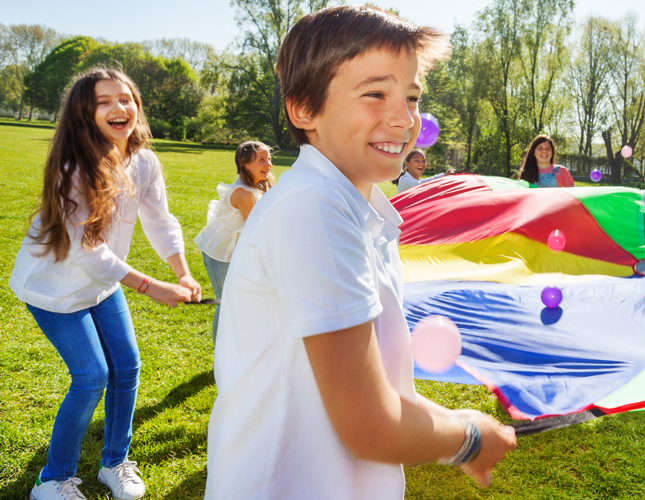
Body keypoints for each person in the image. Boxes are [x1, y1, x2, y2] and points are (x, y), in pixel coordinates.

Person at [204, 6, 517, 500]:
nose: (404, 117)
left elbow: (378, 389)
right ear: (304, 109)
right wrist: (468, 437)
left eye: (412, 96)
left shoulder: (354, 205)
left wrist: (455, 419)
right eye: (376, 93)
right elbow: (370, 422)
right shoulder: (314, 209)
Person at [9, 68, 201, 500]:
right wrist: (152, 286)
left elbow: (160, 220)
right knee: (91, 376)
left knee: (127, 367)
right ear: (84, 112)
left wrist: (182, 271)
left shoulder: (145, 161)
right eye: (105, 101)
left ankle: (115, 462)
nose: (120, 108)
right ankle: (53, 479)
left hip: (101, 285)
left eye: (127, 98)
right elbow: (87, 250)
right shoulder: (71, 167)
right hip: (54, 291)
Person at [193, 141, 276, 344]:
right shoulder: (243, 194)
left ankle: (238, 348)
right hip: (220, 252)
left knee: (241, 299)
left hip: (237, 248)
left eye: (269, 159)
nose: (269, 164)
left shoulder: (260, 186)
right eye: (262, 160)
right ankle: (220, 354)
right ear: (245, 165)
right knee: (225, 300)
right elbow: (257, 228)